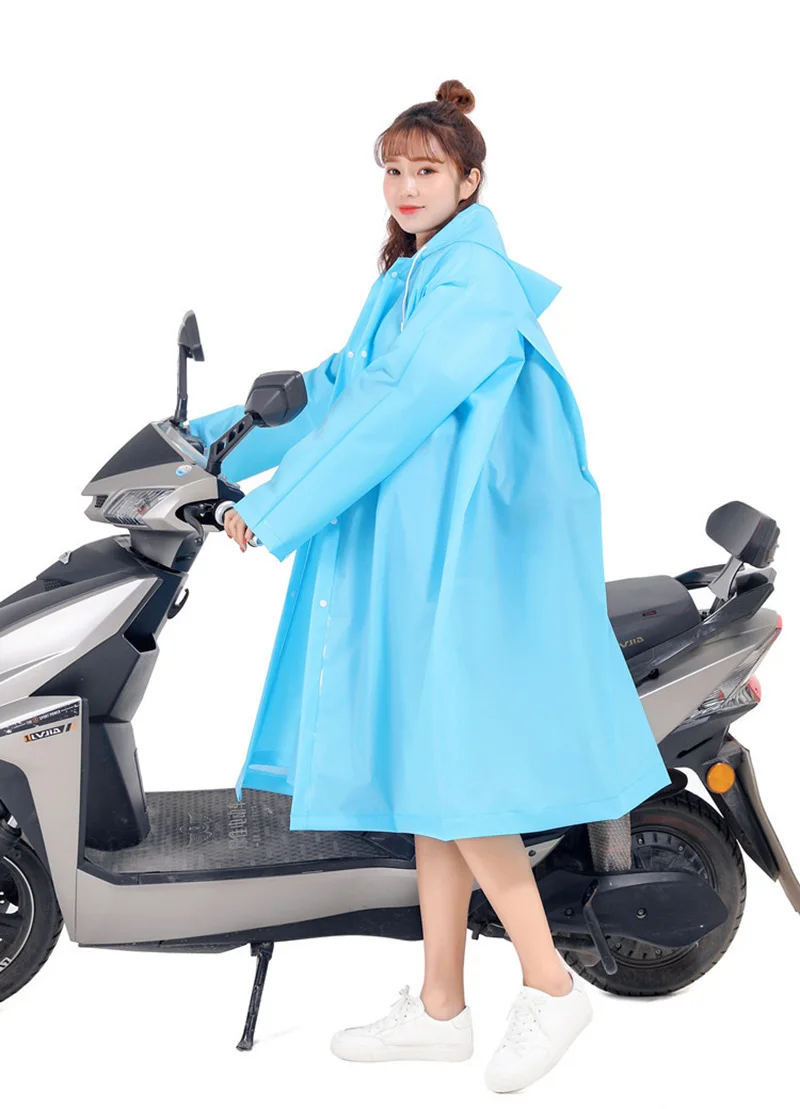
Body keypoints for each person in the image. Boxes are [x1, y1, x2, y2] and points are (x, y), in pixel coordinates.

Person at [188, 79, 672, 1093]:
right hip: (416, 552)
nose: (406, 187)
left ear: (468, 180)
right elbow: (339, 385)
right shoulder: (410, 277)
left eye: (426, 170)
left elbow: (400, 403)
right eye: (393, 171)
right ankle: (442, 1004)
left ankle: (549, 983)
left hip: (470, 559)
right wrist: (202, 445)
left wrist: (277, 508)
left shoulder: (472, 283)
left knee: (454, 774)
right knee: (424, 772)